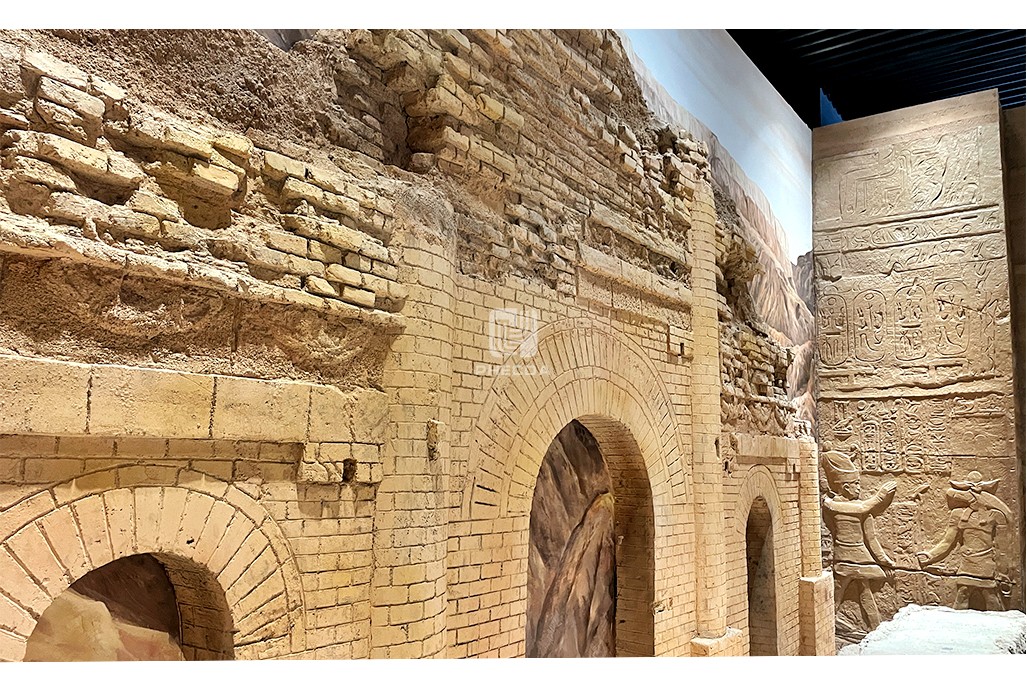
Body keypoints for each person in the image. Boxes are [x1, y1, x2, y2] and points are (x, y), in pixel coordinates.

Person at [822, 450, 896, 630]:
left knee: (863, 592)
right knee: (841, 594)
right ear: (846, 487)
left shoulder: (854, 509)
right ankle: (828, 625)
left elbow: (872, 540)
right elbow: (860, 507)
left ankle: (875, 628)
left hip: (858, 557)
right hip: (845, 557)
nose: (859, 488)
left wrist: (884, 561)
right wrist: (880, 496)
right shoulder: (834, 505)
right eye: (856, 484)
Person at [917, 471, 1012, 610]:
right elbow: (947, 541)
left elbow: (1002, 549)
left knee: (991, 596)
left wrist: (1004, 572)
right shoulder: (958, 514)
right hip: (967, 562)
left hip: (986, 563)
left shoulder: (995, 515)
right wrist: (930, 556)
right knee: (963, 593)